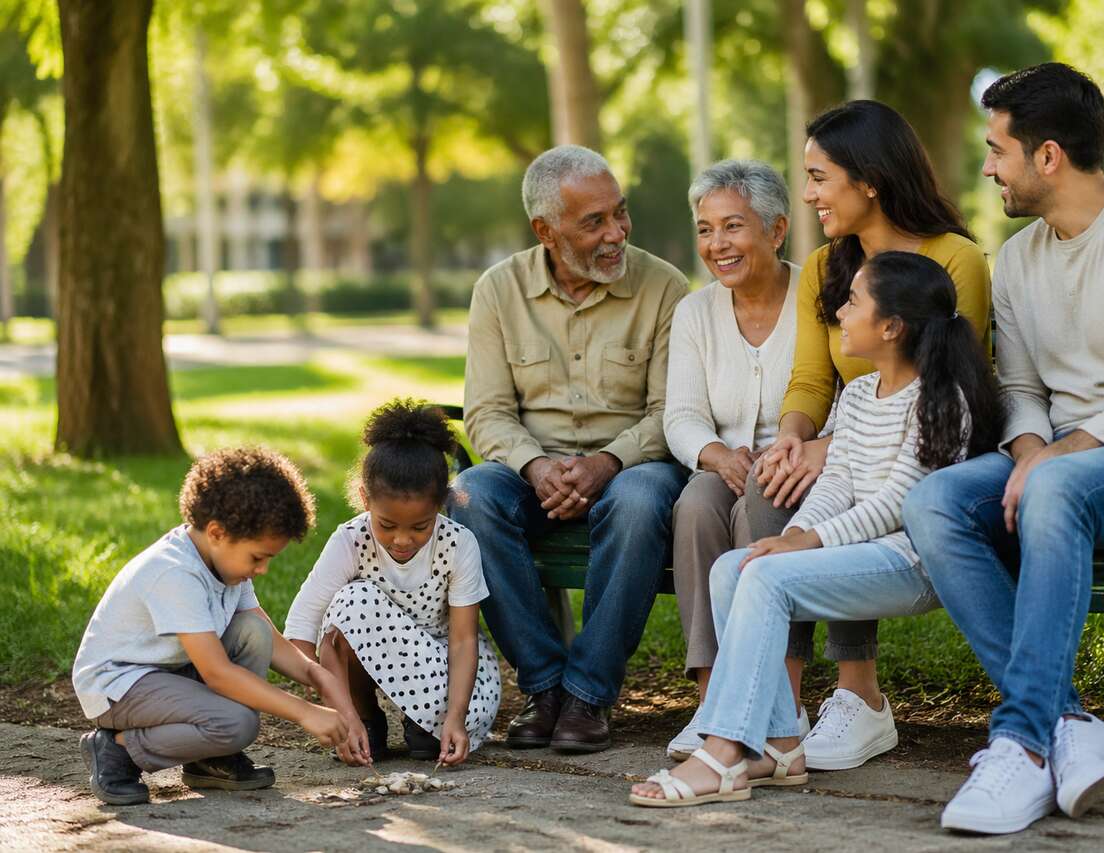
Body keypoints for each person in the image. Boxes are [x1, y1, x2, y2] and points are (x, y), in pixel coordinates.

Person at [902, 63, 1104, 835]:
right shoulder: (1019, 259)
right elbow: (1021, 388)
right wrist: (1030, 451)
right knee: (934, 501)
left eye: (998, 150)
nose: (988, 168)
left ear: (1048, 156)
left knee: (1056, 486)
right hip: (1068, 467)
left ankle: (1021, 742)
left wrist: (1060, 457)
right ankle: (1067, 722)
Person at [630, 251, 1003, 807]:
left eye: (852, 302)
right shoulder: (857, 395)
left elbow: (898, 504)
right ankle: (779, 743)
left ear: (891, 327)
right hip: (856, 554)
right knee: (735, 568)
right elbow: (837, 483)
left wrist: (806, 542)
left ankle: (723, 751)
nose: (840, 313)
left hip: (910, 562)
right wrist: (795, 533)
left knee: (764, 576)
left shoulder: (940, 398)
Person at [749, 99, 992, 772]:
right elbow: (809, 380)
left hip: (928, 451)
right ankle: (779, 705)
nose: (807, 195)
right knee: (770, 485)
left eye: (819, 177)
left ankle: (859, 694)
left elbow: (950, 380)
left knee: (837, 493)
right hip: (850, 432)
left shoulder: (955, 259)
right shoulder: (824, 267)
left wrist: (832, 449)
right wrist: (794, 438)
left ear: (870, 180)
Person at [447, 145, 687, 754]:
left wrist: (607, 462)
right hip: (531, 470)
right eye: (594, 222)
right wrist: (535, 465)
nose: (617, 233)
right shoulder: (498, 290)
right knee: (471, 496)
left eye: (620, 212)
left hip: (633, 466)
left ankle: (588, 694)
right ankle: (545, 686)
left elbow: (673, 412)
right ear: (545, 231)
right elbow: (487, 412)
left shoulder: (664, 287)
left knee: (640, 501)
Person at [72, 448, 363, 807]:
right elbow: (217, 674)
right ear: (217, 532)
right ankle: (116, 750)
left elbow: (264, 635)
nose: (262, 570)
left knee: (252, 632)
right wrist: (305, 712)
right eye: (258, 558)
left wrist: (318, 675)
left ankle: (210, 758)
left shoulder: (224, 563)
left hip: (170, 672)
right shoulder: (175, 572)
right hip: (118, 685)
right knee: (237, 724)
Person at [662, 160, 812, 760]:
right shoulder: (695, 312)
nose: (716, 244)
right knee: (696, 505)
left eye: (733, 226)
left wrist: (793, 452)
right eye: (705, 230)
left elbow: (835, 393)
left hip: (800, 466)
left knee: (761, 505)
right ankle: (712, 703)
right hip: (722, 462)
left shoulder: (816, 297)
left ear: (776, 230)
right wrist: (717, 454)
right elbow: (681, 414)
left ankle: (781, 703)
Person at [285, 400, 501, 766]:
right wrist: (338, 714)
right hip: (365, 670)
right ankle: (364, 717)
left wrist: (454, 717)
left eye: (420, 526)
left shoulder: (458, 543)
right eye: (387, 525)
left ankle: (424, 724)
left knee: (432, 740)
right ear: (365, 500)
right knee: (351, 601)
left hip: (441, 674)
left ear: (442, 504)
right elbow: (301, 627)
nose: (402, 540)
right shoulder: (351, 540)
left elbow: (463, 640)